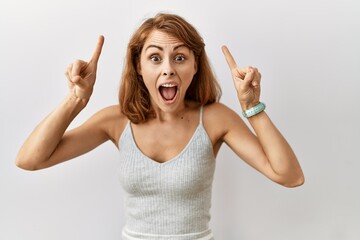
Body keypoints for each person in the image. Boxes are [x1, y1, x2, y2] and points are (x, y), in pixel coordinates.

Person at [16, 13, 304, 240]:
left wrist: (251, 107)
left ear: (195, 66)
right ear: (139, 66)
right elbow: (30, 159)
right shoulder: (115, 121)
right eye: (155, 57)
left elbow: (289, 176)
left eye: (180, 57)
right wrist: (76, 99)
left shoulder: (216, 118)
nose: (168, 68)